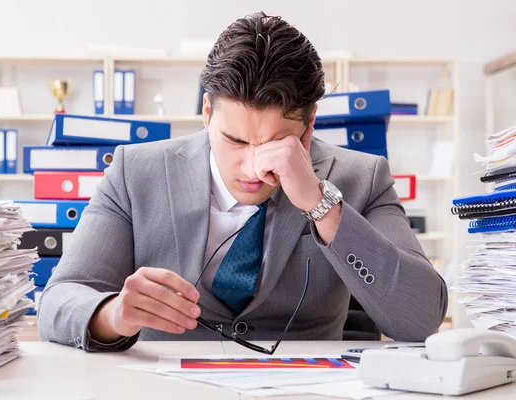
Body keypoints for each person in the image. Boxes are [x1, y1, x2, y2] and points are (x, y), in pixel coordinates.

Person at [37, 11, 448, 352]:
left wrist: (322, 205)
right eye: (234, 140)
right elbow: (59, 299)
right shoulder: (134, 171)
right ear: (206, 113)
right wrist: (112, 314)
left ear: (308, 128)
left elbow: (421, 318)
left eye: (277, 142)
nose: (252, 168)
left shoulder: (362, 177)